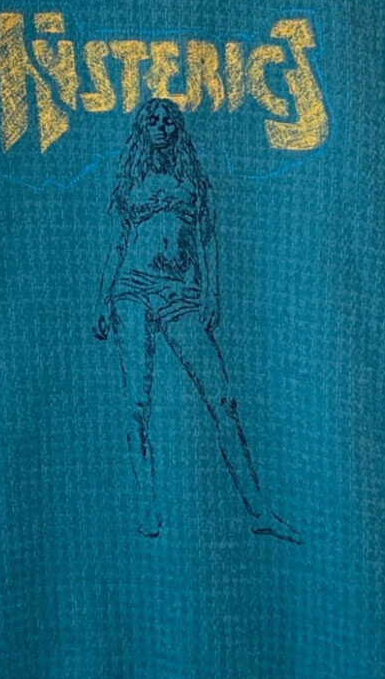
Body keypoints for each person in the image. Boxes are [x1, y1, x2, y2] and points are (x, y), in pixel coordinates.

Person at [93, 98, 301, 542]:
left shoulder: (193, 180)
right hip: (131, 289)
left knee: (222, 399)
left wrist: (212, 292)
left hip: (180, 293)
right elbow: (116, 244)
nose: (162, 126)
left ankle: (259, 509)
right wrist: (101, 299)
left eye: (169, 120)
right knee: (137, 405)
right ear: (142, 129)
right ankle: (148, 508)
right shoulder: (129, 180)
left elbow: (207, 239)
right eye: (153, 120)